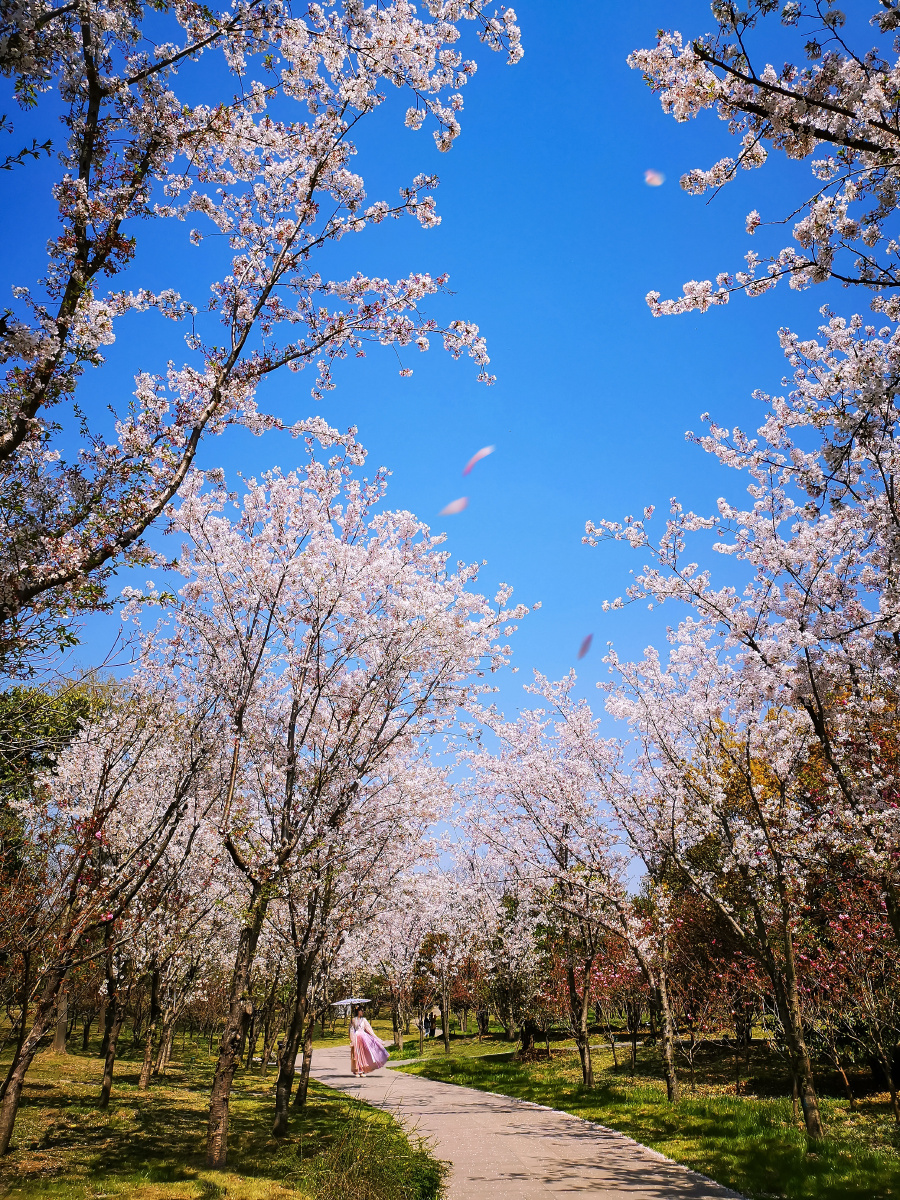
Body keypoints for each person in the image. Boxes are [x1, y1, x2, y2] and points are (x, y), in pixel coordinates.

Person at [349, 1006, 388, 1076]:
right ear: (358, 1011)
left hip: (363, 1038)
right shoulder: (353, 1020)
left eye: (363, 1011)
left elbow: (369, 1029)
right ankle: (358, 1070)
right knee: (357, 1054)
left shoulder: (364, 1020)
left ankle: (362, 1069)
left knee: (363, 1053)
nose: (363, 1012)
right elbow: (351, 1030)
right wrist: (352, 1040)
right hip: (356, 1038)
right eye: (362, 1011)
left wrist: (375, 1037)